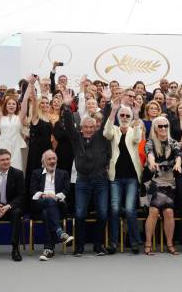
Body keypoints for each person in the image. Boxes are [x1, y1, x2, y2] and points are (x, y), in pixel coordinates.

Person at [62, 99, 111, 256]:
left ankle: (98, 245)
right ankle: (79, 246)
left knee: (103, 213)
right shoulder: (76, 138)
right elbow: (69, 125)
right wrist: (67, 106)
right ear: (81, 128)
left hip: (100, 180)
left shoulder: (101, 136)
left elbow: (107, 119)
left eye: (91, 127)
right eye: (86, 127)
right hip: (82, 181)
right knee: (80, 214)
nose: (89, 129)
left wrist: (108, 103)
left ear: (95, 127)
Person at [103, 100, 143, 254]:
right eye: (123, 115)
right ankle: (113, 243)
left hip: (132, 177)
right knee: (114, 209)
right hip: (116, 177)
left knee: (130, 210)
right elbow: (106, 133)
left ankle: (134, 242)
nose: (125, 117)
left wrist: (137, 115)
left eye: (128, 115)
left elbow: (137, 139)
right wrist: (113, 111)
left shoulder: (134, 129)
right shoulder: (113, 129)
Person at [142, 116, 182, 255]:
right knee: (153, 211)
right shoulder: (150, 142)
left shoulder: (173, 142)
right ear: (155, 128)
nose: (164, 128)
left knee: (169, 212)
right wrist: (152, 162)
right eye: (160, 126)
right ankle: (148, 243)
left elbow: (178, 155)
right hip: (154, 181)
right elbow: (150, 155)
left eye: (165, 125)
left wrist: (178, 164)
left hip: (170, 182)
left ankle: (170, 244)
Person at [30, 150, 74, 261]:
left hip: (58, 205)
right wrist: (43, 195)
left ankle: (49, 249)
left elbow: (66, 191)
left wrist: (55, 197)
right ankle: (60, 233)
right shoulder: (36, 173)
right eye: (49, 159)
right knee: (48, 203)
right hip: (39, 204)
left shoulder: (63, 173)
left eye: (54, 159)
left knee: (47, 212)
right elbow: (32, 191)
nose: (52, 161)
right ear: (43, 161)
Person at [0, 76, 27, 171]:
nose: (11, 105)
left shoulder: (19, 117)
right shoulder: (1, 117)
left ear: (17, 106)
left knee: (16, 171)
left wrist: (30, 85)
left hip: (16, 147)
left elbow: (25, 101)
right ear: (5, 106)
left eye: (13, 104)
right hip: (3, 146)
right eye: (9, 104)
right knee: (0, 171)